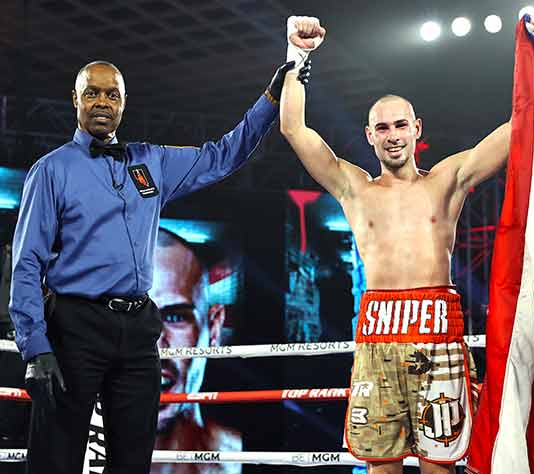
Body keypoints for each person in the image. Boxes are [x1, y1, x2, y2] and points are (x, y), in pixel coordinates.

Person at [8, 41, 309, 473]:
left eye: (112, 94)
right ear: (75, 99)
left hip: (137, 331)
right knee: (56, 459)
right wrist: (35, 349)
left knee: (133, 460)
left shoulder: (150, 162)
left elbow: (225, 154)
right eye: (92, 92)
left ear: (124, 103)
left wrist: (272, 96)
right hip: (74, 326)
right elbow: (27, 265)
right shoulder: (51, 170)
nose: (102, 102)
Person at [280, 15, 534, 474]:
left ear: (416, 129)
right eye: (382, 128)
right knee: (381, 466)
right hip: (377, 339)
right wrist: (298, 55)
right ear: (370, 136)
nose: (392, 135)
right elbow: (295, 129)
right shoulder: (355, 189)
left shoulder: (446, 181)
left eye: (400, 125)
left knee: (439, 468)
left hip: (437, 334)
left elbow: (520, 127)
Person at [151, 228, 241, 474]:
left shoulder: (241, 458)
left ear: (214, 328)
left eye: (173, 316)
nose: (156, 347)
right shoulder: (63, 454)